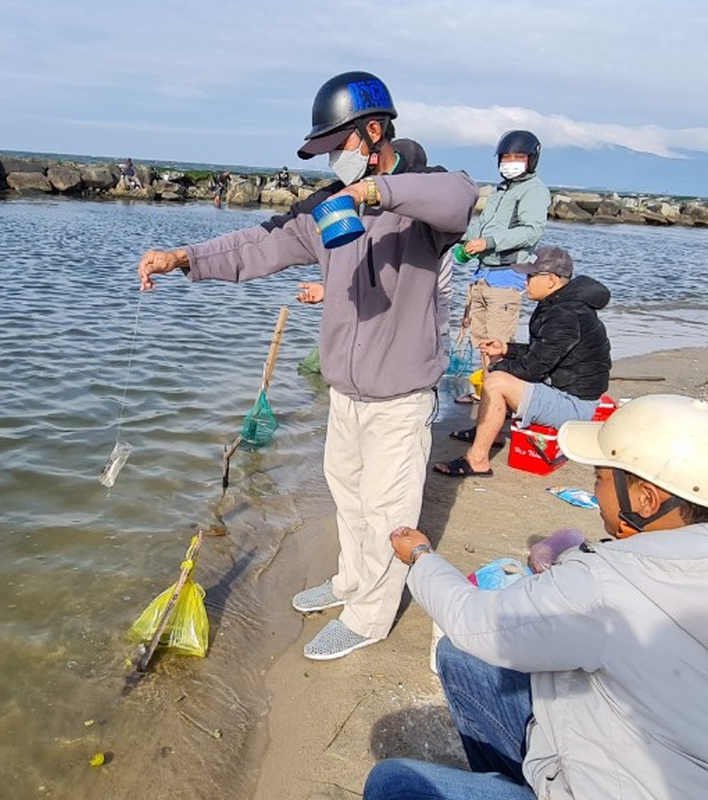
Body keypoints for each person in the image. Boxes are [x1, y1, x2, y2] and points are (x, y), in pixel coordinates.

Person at [138, 71, 477, 660]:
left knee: (388, 513)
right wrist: (183, 258)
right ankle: (350, 582)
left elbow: (462, 197)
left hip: (399, 400)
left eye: (336, 147)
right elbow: (259, 245)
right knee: (348, 497)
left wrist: (374, 193)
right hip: (345, 393)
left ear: (373, 132)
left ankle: (369, 618)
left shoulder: (421, 208)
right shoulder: (325, 211)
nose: (331, 163)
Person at [371, 394, 708, 799]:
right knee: (458, 658)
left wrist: (422, 557)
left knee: (394, 783)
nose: (596, 490)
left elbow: (474, 620)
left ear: (645, 498)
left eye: (600, 478)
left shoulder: (606, 583)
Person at [434, 246, 609, 478]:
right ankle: (489, 432)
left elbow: (534, 369)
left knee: (496, 381)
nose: (524, 281)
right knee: (497, 361)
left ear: (550, 280)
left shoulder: (566, 313)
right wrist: (506, 349)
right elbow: (548, 351)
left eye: (530, 276)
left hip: (576, 405)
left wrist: (497, 368)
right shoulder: (561, 303)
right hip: (565, 389)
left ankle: (478, 460)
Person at [455, 130, 550, 403]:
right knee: (481, 342)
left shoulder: (534, 190)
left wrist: (489, 242)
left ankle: (497, 402)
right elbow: (481, 226)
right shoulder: (500, 191)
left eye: (518, 156)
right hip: (483, 274)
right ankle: (485, 393)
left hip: (507, 275)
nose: (511, 161)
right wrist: (460, 237)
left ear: (531, 159)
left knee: (497, 344)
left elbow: (531, 231)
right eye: (506, 156)